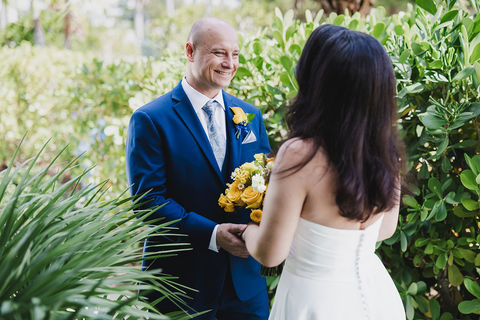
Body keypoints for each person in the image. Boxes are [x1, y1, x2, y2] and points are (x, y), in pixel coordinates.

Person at [242, 24, 406, 319]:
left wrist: (248, 232)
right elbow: (385, 229)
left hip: (315, 301)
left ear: (318, 84)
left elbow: (270, 253)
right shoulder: (386, 149)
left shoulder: (300, 154)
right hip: (378, 296)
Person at [125, 18, 270, 320]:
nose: (230, 63)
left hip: (245, 286)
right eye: (219, 53)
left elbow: (267, 186)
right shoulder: (151, 119)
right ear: (190, 51)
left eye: (236, 54)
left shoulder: (251, 117)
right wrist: (213, 234)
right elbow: (148, 202)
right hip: (180, 284)